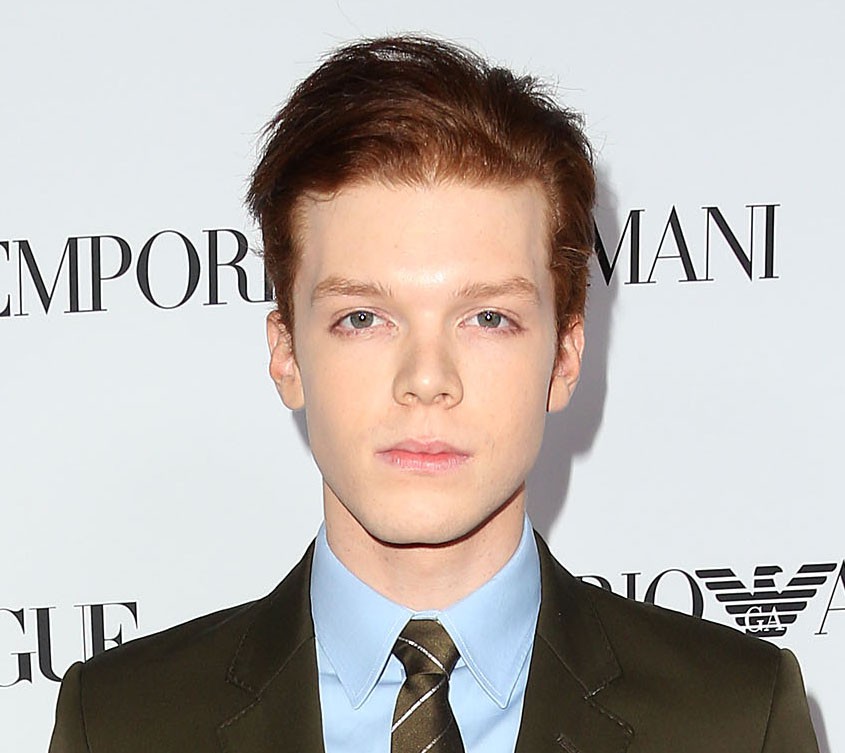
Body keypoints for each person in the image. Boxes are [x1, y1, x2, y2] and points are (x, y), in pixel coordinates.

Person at [48, 35, 819, 753]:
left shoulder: (733, 716)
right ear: (286, 354)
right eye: (362, 317)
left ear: (564, 357)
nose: (425, 377)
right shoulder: (119, 722)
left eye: (487, 318)